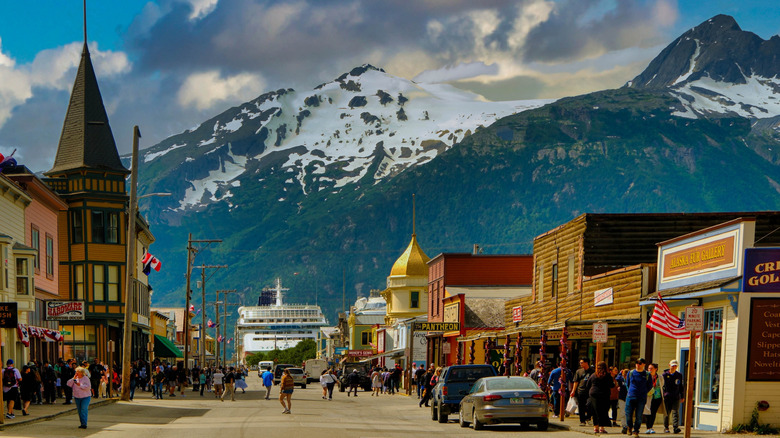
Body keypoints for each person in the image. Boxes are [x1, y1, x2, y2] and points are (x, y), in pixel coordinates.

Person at [584, 361, 614, 434]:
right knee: (603, 411)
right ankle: (601, 428)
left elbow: (587, 384)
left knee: (595, 411)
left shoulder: (593, 375)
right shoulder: (607, 375)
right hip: (604, 394)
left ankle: (595, 427)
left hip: (594, 393)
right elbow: (611, 385)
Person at [625, 358, 651, 437]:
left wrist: (643, 392)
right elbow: (627, 383)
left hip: (641, 398)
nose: (638, 365)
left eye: (640, 363)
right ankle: (629, 427)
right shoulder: (631, 373)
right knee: (628, 414)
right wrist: (631, 391)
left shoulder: (647, 374)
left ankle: (636, 430)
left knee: (639, 416)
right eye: (637, 363)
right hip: (631, 396)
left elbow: (649, 386)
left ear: (644, 364)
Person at [571, 357, 594, 426]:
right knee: (581, 406)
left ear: (586, 363)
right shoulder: (579, 371)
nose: (580, 364)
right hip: (581, 391)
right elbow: (576, 382)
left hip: (589, 391)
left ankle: (588, 417)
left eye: (582, 362)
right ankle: (582, 420)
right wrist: (573, 391)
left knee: (589, 405)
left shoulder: (592, 372)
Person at [662, 360, 684, 434]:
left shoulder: (679, 375)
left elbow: (681, 386)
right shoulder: (664, 375)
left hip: (676, 396)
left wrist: (682, 395)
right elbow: (662, 386)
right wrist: (664, 394)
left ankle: (675, 427)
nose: (674, 367)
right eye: (672, 365)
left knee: (675, 412)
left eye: (675, 366)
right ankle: (666, 427)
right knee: (667, 413)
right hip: (667, 397)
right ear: (669, 365)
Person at [645, 363, 665, 434]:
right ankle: (648, 427)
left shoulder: (660, 377)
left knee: (653, 412)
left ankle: (651, 427)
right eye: (649, 368)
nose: (650, 370)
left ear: (656, 369)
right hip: (648, 397)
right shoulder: (646, 377)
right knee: (648, 412)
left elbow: (662, 385)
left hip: (657, 397)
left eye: (651, 368)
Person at [616, 368, 629, 434]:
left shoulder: (630, 380)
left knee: (628, 412)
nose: (625, 376)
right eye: (624, 374)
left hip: (628, 397)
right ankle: (624, 425)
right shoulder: (621, 379)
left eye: (626, 374)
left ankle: (628, 425)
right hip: (622, 397)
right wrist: (620, 373)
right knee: (622, 412)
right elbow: (617, 378)